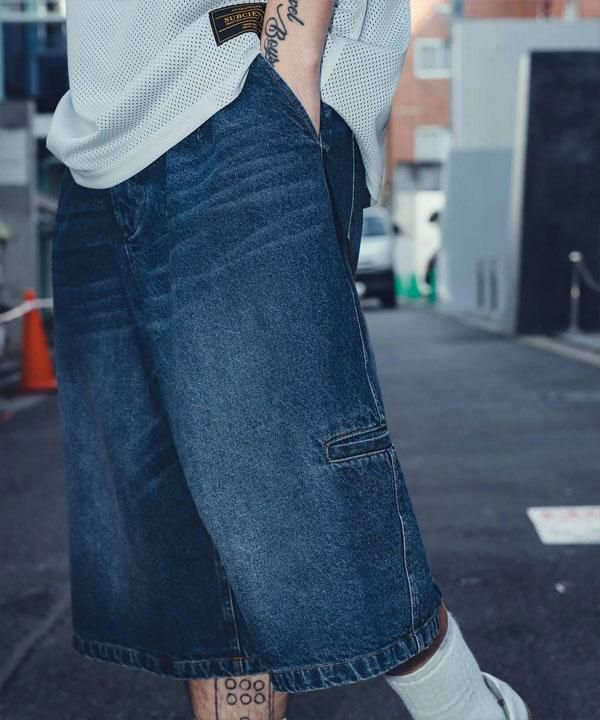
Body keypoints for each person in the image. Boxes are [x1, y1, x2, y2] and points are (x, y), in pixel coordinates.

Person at [46, 2, 532, 718]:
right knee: (194, 566)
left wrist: (289, 72)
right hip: (98, 138)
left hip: (234, 74)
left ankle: (464, 706)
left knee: (296, 489)